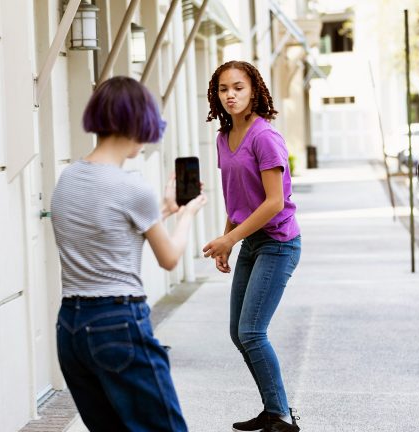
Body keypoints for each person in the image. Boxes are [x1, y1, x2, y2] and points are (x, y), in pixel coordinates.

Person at [51, 76, 207, 431]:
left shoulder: (69, 177)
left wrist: (162, 211)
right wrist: (185, 216)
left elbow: (110, 231)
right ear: (137, 122)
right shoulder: (132, 186)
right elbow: (168, 258)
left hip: (71, 327)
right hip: (117, 323)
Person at [203, 60, 302, 432]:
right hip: (250, 240)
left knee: (252, 332)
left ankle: (281, 416)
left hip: (279, 242)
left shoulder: (264, 137)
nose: (230, 95)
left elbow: (274, 202)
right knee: (238, 332)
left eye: (238, 88)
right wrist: (229, 239)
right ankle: (272, 408)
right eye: (223, 89)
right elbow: (237, 198)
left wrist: (230, 238)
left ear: (254, 91)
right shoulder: (222, 137)